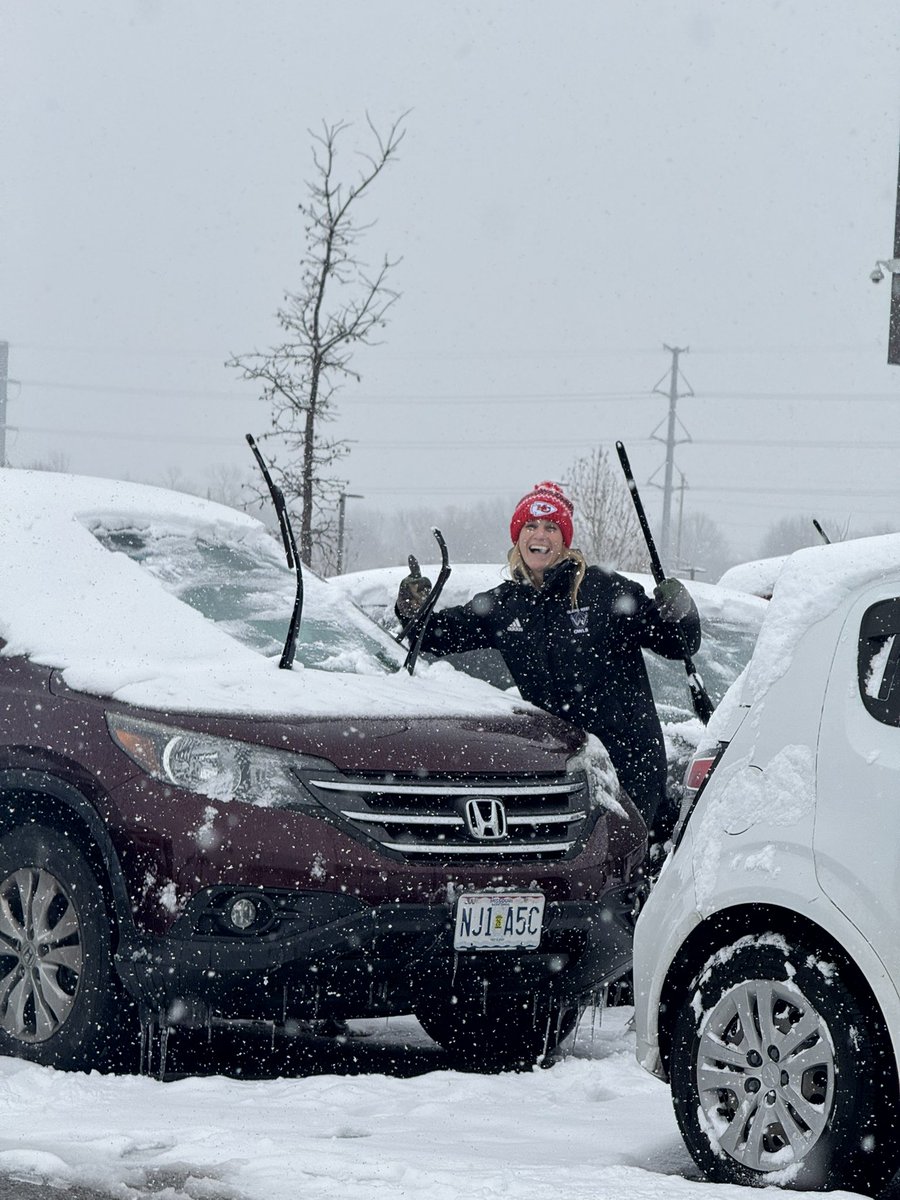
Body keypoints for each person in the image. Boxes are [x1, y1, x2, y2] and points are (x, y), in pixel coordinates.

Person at [396, 480, 701, 845]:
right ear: (518, 536)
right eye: (531, 526)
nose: (540, 535)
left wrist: (680, 611)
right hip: (557, 769)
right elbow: (435, 636)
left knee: (622, 867)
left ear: (565, 539)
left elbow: (678, 643)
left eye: (551, 527)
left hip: (628, 766)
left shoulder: (605, 590)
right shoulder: (504, 604)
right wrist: (413, 609)